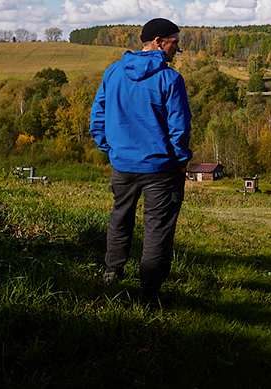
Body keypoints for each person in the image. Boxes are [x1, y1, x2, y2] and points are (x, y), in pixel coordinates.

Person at [90, 18, 192, 303]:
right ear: (159, 42)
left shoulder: (113, 72)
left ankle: (112, 273)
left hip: (122, 164)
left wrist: (110, 148)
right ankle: (148, 292)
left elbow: (98, 116)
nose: (177, 48)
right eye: (174, 42)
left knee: (120, 217)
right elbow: (179, 127)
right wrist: (182, 159)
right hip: (161, 168)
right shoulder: (170, 79)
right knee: (158, 228)